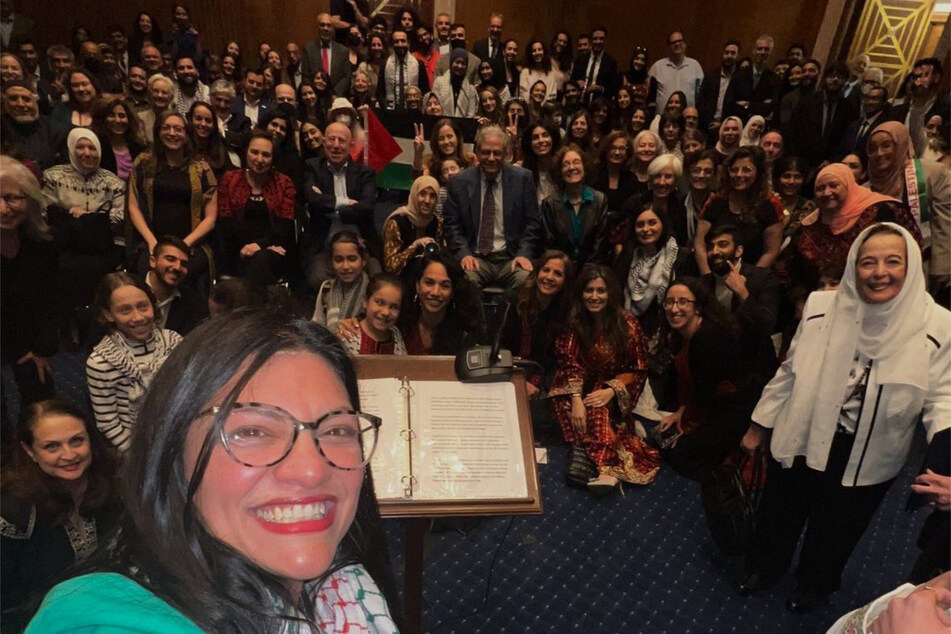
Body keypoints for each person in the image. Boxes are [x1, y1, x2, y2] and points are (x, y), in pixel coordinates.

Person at [28, 310, 401, 632]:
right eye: (252, 431)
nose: (311, 470)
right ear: (171, 453)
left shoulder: (346, 589)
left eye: (336, 430)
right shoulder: (108, 622)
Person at [739, 223, 950, 613]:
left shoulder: (938, 325)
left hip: (870, 449)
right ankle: (764, 566)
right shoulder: (822, 304)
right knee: (779, 509)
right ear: (854, 265)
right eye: (867, 262)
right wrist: (759, 424)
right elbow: (790, 369)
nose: (879, 272)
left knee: (838, 527)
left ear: (912, 266)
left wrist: (945, 453)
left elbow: (943, 398)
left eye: (892, 261)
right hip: (804, 428)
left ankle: (814, 583)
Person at [0, 399, 120, 633]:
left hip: (101, 609)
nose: (69, 455)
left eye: (76, 441)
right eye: (52, 447)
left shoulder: (111, 487)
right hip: (34, 622)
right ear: (29, 451)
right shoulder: (13, 509)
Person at [549, 264, 660, 493]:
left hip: (611, 387)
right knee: (564, 404)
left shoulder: (627, 324)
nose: (594, 296)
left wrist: (612, 390)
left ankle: (606, 469)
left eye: (601, 291)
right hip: (577, 384)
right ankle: (597, 441)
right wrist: (577, 399)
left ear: (610, 293)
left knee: (597, 410)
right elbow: (569, 361)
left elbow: (638, 368)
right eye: (589, 290)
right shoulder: (575, 321)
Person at [655, 278, 754, 479]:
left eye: (683, 302)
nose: (674, 309)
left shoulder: (707, 337)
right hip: (710, 405)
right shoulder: (681, 335)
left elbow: (705, 395)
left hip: (734, 411)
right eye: (669, 302)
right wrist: (681, 412)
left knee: (680, 456)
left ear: (698, 307)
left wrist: (686, 424)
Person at [86, 272, 183, 453]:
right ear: (109, 314)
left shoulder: (174, 343)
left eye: (143, 306)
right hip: (135, 448)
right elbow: (107, 421)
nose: (138, 317)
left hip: (177, 436)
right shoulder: (101, 362)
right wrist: (137, 455)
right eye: (125, 310)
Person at [442, 124, 542, 292]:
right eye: (486, 152)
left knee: (526, 280)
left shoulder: (522, 179)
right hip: (475, 257)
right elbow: (452, 225)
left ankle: (507, 318)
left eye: (497, 153)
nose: (491, 158)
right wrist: (464, 253)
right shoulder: (459, 182)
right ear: (477, 152)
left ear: (505, 154)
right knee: (465, 280)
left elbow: (532, 224)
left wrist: (523, 254)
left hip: (511, 257)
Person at [794, 162, 921, 289]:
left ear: (848, 186)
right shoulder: (811, 225)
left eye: (833, 186)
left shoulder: (884, 210)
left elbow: (913, 251)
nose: (827, 192)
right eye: (820, 188)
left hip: (883, 290)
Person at [127, 110, 218, 286]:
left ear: (186, 134)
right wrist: (153, 243)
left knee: (187, 276)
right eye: (166, 128)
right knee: (147, 274)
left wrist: (183, 245)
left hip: (191, 244)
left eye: (178, 129)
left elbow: (211, 218)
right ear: (158, 132)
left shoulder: (202, 169)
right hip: (152, 241)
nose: (172, 133)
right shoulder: (143, 163)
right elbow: (134, 207)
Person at [42, 128, 125, 313]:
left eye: (92, 148)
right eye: (81, 147)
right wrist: (74, 217)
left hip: (102, 246)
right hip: (65, 244)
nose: (87, 153)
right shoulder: (53, 176)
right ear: (72, 149)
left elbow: (120, 215)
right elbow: (45, 211)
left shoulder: (113, 182)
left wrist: (87, 218)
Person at [0, 156, 59, 416]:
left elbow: (51, 300)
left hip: (26, 337)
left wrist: (42, 349)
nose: (4, 209)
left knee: (43, 402)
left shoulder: (42, 243)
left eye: (13, 198)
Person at [866, 121, 950, 294]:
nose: (879, 153)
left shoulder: (931, 172)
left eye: (886, 146)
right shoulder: (865, 187)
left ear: (902, 144)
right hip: (882, 271)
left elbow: (945, 223)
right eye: (873, 148)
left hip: (926, 267)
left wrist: (941, 270)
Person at [302, 121, 379, 289]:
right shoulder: (312, 167)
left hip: (361, 246)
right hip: (325, 247)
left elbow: (367, 207)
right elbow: (312, 199)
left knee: (377, 280)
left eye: (341, 140)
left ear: (350, 144)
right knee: (317, 278)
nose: (336, 145)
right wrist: (344, 202)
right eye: (331, 139)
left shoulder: (365, 173)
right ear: (324, 141)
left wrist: (330, 206)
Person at [217, 130, 296, 289]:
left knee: (261, 260)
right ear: (246, 152)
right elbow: (226, 222)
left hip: (274, 250)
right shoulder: (229, 179)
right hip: (236, 249)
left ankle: (247, 310)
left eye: (266, 155)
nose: (259, 159)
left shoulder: (284, 182)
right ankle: (258, 311)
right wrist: (249, 247)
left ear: (273, 159)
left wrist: (260, 245)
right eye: (255, 152)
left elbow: (285, 226)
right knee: (255, 262)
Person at [499, 250, 574, 399]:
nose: (549, 277)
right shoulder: (513, 303)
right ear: (537, 272)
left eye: (558, 274)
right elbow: (498, 351)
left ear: (565, 281)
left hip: (543, 384)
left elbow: (556, 361)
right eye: (545, 270)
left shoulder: (565, 313)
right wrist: (519, 382)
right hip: (507, 376)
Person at [695, 146, 782, 273]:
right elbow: (699, 244)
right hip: (713, 274)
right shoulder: (715, 202)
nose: (739, 175)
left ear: (759, 173)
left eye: (746, 170)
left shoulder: (770, 205)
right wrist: (707, 278)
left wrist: (749, 283)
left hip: (752, 278)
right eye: (734, 170)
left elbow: (771, 251)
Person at [613, 200, 683, 339]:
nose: (645, 229)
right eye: (640, 225)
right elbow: (616, 295)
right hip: (631, 333)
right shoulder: (627, 256)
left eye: (652, 223)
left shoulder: (680, 256)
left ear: (663, 224)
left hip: (669, 332)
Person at [540, 144, 607, 267]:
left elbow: (600, 245)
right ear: (560, 172)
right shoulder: (549, 204)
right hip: (560, 270)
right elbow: (549, 246)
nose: (571, 167)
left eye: (576, 162)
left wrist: (586, 274)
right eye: (566, 164)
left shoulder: (599, 200)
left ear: (584, 167)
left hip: (591, 270)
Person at [789, 62, 858, 168]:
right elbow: (795, 131)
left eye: (839, 77)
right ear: (824, 78)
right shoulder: (808, 101)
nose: (835, 80)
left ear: (845, 81)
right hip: (803, 160)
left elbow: (845, 139)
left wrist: (831, 160)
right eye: (831, 76)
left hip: (830, 164)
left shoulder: (847, 108)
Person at [382, 175, 444, 277]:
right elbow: (390, 268)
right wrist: (414, 246)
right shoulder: (396, 222)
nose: (427, 200)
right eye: (422, 194)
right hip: (402, 280)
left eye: (432, 196)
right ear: (414, 194)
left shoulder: (437, 222)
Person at [145, 236, 207, 336]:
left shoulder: (192, 301)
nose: (177, 267)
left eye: (183, 264)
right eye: (170, 259)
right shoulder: (129, 289)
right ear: (153, 261)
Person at [1, 81, 68, 171]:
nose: (20, 104)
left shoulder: (56, 131)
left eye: (26, 99)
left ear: (35, 100)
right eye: (13, 99)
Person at [342, 273, 407, 355]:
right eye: (380, 303)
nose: (386, 312)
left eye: (394, 307)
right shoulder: (349, 334)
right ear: (366, 301)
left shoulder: (396, 334)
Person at [723, 35, 780, 122]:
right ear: (754, 51)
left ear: (771, 53)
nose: (762, 52)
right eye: (759, 49)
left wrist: (747, 105)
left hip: (759, 125)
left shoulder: (775, 79)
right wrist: (760, 105)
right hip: (738, 123)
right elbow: (729, 103)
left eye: (766, 49)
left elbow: (770, 108)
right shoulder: (739, 74)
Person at [92, 98, 148, 181]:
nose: (117, 120)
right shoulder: (96, 147)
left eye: (122, 116)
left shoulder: (138, 147)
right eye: (111, 115)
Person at [647, 30, 704, 110]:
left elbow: (701, 94)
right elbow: (648, 93)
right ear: (669, 46)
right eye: (673, 42)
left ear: (685, 44)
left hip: (687, 118)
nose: (677, 44)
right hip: (663, 118)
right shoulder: (657, 67)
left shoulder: (695, 66)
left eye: (680, 41)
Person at [377, 29, 429, 109]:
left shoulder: (419, 64)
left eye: (403, 41)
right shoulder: (384, 64)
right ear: (392, 44)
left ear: (408, 43)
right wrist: (386, 107)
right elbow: (380, 92)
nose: (400, 44)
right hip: (390, 110)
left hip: (413, 111)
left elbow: (425, 91)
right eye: (396, 41)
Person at [302, 13, 351, 96]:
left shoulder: (343, 51)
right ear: (318, 27)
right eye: (322, 25)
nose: (325, 28)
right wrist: (315, 91)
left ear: (333, 29)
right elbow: (305, 75)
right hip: (315, 97)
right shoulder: (309, 49)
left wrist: (335, 93)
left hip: (336, 96)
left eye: (329, 25)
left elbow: (347, 76)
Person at [838, 82, 891, 158]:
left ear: (883, 102)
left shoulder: (886, 126)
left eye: (875, 99)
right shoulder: (854, 125)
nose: (869, 102)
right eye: (866, 98)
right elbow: (843, 150)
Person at [697, 40, 740, 133]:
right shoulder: (710, 76)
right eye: (726, 52)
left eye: (733, 53)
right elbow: (701, 101)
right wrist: (709, 122)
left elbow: (739, 107)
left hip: (729, 128)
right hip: (707, 126)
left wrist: (723, 124)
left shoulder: (741, 79)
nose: (729, 56)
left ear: (738, 56)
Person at [569, 26, 618, 103]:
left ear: (605, 40)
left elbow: (613, 88)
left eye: (601, 39)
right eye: (595, 39)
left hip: (599, 105)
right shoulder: (580, 60)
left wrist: (600, 88)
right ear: (591, 40)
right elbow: (571, 81)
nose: (598, 41)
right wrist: (576, 83)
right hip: (579, 103)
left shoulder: (611, 62)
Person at [773, 155, 817, 242]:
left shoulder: (808, 207)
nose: (791, 182)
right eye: (786, 176)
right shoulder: (768, 201)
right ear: (778, 178)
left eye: (797, 177)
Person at [188, 100, 233, 178]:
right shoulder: (182, 146)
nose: (203, 124)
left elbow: (228, 176)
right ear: (191, 120)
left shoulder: (220, 146)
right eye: (198, 119)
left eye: (208, 121)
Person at [682, 149, 718, 246]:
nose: (702, 175)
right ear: (687, 173)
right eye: (696, 170)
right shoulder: (679, 203)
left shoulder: (720, 204)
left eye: (708, 171)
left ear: (714, 175)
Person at [520, 123, 561, 205]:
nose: (541, 140)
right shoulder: (523, 171)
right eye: (535, 138)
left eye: (545, 135)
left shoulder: (562, 167)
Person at [432, 47, 478, 117]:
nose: (460, 66)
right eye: (457, 62)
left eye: (463, 63)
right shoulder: (439, 83)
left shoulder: (470, 89)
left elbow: (471, 115)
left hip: (463, 126)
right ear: (451, 63)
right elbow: (435, 109)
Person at [137, 73, 176, 142]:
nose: (159, 95)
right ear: (150, 94)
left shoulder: (177, 120)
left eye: (164, 92)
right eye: (155, 91)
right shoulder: (140, 118)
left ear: (171, 97)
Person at [519, 39, 561, 103]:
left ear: (544, 52)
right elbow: (523, 95)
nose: (537, 52)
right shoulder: (525, 73)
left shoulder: (550, 74)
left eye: (539, 49)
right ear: (530, 54)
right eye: (534, 50)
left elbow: (552, 96)